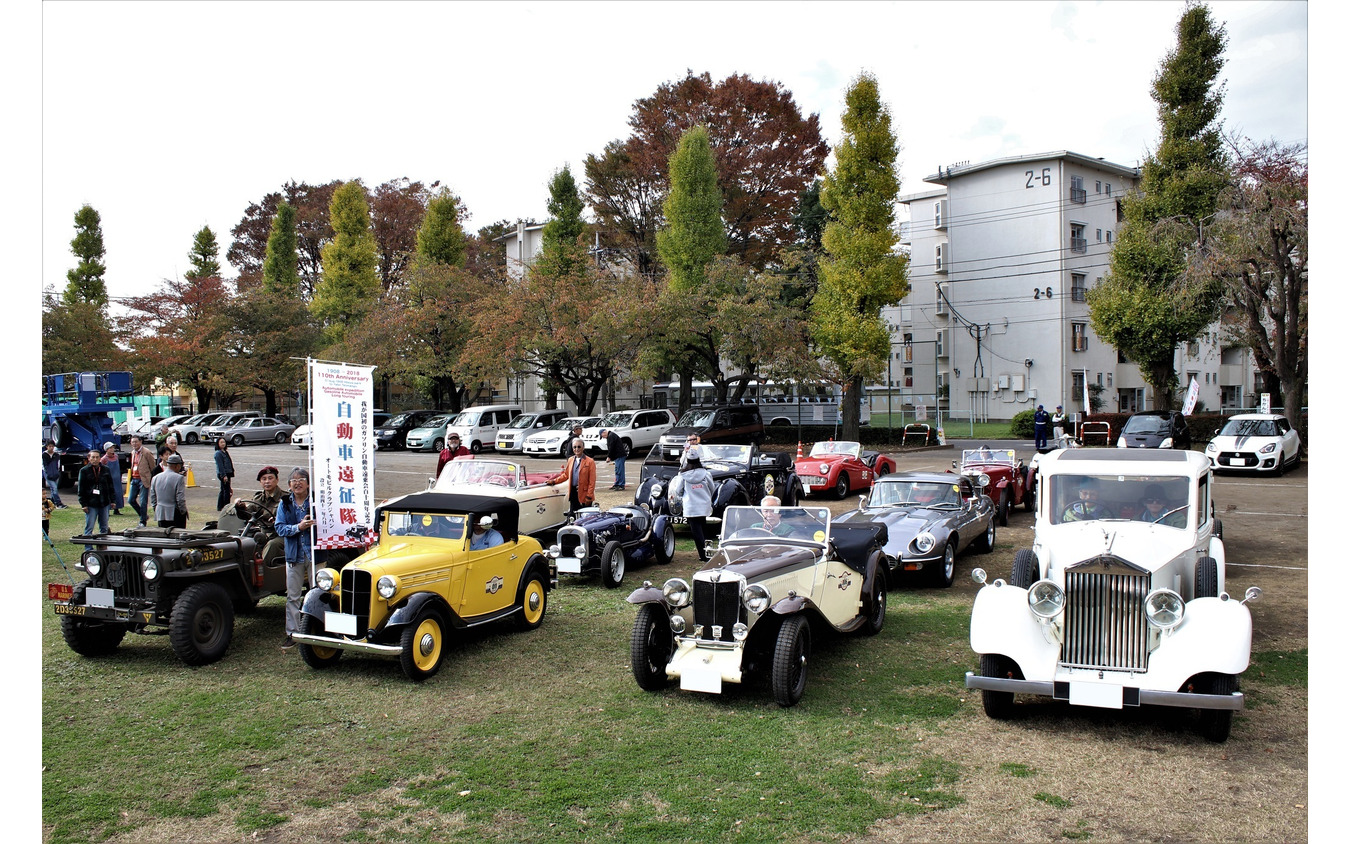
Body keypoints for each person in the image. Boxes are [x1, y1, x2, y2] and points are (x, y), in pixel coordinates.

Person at [274, 468, 316, 649]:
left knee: (318, 594)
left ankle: (317, 631)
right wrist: (298, 527)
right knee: (293, 596)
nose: (297, 483)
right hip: (294, 555)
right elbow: (280, 528)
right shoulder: (285, 503)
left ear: (308, 483)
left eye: (301, 479)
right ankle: (293, 633)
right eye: (293, 480)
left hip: (315, 553)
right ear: (289, 485)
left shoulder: (317, 500)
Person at [670, 446, 714, 562]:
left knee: (696, 532)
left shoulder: (683, 475)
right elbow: (712, 488)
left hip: (691, 507)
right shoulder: (706, 473)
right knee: (704, 529)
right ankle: (708, 552)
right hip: (704, 505)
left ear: (688, 461)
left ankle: (702, 555)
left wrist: (684, 495)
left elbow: (678, 491)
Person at [235, 466, 285, 563]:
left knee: (272, 545)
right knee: (246, 545)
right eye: (264, 479)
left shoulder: (285, 498)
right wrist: (240, 507)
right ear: (260, 482)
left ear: (277, 480)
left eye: (270, 478)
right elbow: (246, 515)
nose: (267, 482)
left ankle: (261, 569)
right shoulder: (258, 499)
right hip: (262, 534)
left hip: (280, 535)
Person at [549, 438, 597, 512]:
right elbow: (566, 475)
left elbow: (592, 481)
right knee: (572, 515)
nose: (576, 449)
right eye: (574, 447)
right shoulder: (571, 459)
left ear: (583, 447)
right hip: (573, 492)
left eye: (579, 447)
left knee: (584, 517)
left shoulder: (590, 461)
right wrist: (554, 481)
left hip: (584, 494)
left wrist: (589, 496)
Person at [76, 450, 114, 534]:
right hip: (91, 503)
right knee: (89, 526)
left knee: (104, 526)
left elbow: (111, 486)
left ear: (100, 458)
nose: (95, 459)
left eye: (97, 457)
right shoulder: (84, 471)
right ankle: (88, 547)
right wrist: (83, 504)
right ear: (89, 458)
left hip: (104, 502)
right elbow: (81, 489)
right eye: (93, 457)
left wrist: (113, 500)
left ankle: (103, 546)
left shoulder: (105, 469)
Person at [150, 453, 188, 529]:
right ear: (177, 466)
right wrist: (183, 511)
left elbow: (153, 496)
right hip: (174, 512)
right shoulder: (179, 478)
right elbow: (180, 498)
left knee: (163, 537)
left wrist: (156, 508)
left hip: (160, 511)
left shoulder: (156, 477)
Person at [127, 435, 155, 526]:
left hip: (143, 479)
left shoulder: (146, 452)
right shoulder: (133, 452)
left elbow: (152, 467)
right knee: (131, 500)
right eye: (132, 442)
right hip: (134, 479)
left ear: (140, 442)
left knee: (143, 501)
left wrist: (151, 478)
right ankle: (143, 515)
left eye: (136, 442)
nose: (134, 444)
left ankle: (142, 521)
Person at [100, 442, 125, 515]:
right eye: (110, 448)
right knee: (108, 494)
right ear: (106, 449)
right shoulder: (104, 459)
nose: (112, 449)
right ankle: (107, 510)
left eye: (113, 448)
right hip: (108, 479)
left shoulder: (116, 456)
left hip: (116, 478)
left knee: (117, 493)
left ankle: (116, 509)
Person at [42, 440, 68, 509]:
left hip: (55, 473)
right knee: (54, 488)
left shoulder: (56, 455)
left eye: (52, 446)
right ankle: (58, 503)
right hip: (48, 473)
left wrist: (57, 471)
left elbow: (58, 464)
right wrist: (47, 472)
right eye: (49, 446)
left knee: (53, 489)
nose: (51, 448)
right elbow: (43, 465)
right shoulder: (44, 455)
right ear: (47, 447)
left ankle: (51, 502)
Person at [213, 438, 235, 511]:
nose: (223, 444)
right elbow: (220, 466)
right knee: (226, 491)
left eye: (224, 442)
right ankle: (226, 507)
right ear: (218, 444)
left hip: (228, 473)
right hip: (223, 474)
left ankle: (220, 506)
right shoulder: (218, 453)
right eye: (221, 442)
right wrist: (224, 475)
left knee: (223, 490)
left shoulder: (225, 452)